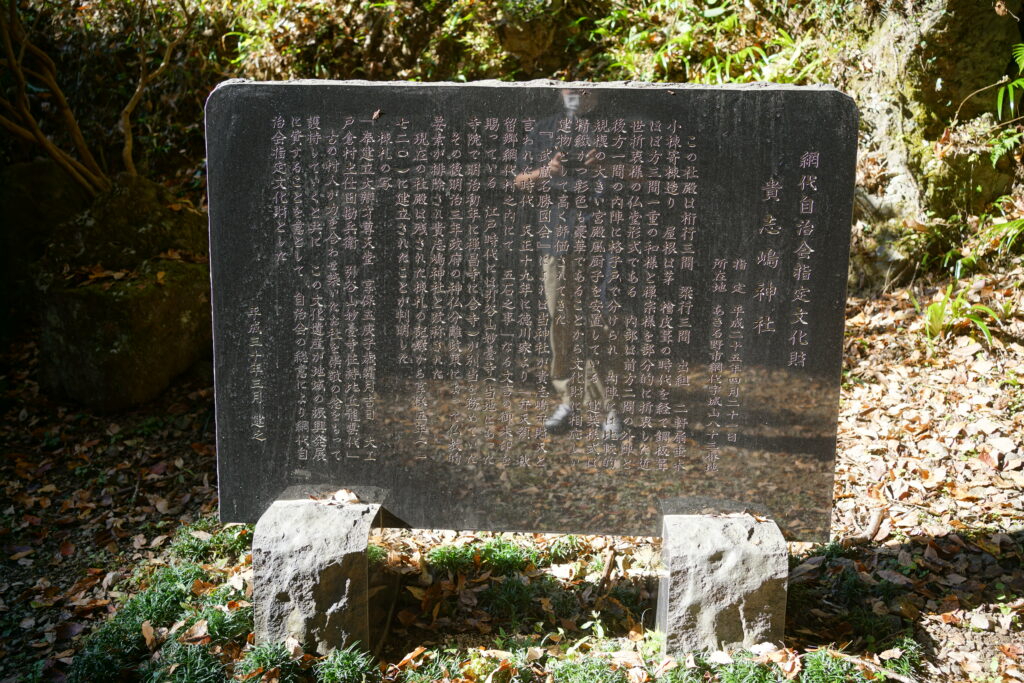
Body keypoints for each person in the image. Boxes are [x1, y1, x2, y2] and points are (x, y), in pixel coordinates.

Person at [514, 88, 623, 439]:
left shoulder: (617, 128)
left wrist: (607, 166)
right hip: (557, 237)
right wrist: (548, 170)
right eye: (569, 85)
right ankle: (567, 401)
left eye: (586, 85)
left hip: (604, 240)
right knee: (559, 322)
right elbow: (517, 180)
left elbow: (654, 177)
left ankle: (609, 408)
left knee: (601, 324)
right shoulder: (544, 129)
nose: (577, 91)